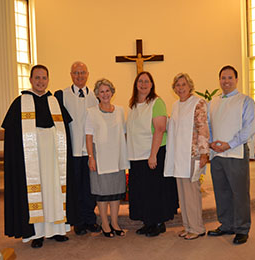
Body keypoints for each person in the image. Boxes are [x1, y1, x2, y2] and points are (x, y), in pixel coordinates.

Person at [3, 65, 71, 248]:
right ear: (31, 80)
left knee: (54, 190)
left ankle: (57, 230)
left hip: (54, 159)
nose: (41, 81)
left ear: (48, 80)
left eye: (44, 78)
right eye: (37, 78)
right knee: (38, 192)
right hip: (32, 160)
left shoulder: (55, 102)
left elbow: (66, 131)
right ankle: (37, 233)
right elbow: (12, 135)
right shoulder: (20, 102)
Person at [207, 65, 255, 245]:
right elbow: (209, 126)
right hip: (217, 154)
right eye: (223, 78)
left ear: (236, 79)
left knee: (239, 192)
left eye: (229, 77)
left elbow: (249, 128)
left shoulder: (245, 101)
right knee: (221, 192)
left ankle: (242, 228)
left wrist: (229, 144)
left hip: (235, 153)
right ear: (219, 80)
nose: (226, 81)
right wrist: (211, 142)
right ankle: (226, 224)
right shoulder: (213, 102)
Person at [126, 71, 178, 237]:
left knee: (154, 190)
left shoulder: (157, 102)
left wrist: (153, 155)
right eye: (140, 81)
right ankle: (147, 222)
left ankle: (158, 222)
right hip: (136, 155)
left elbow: (160, 129)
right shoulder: (133, 105)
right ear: (136, 84)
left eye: (146, 81)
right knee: (142, 191)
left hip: (152, 153)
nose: (143, 84)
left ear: (152, 84)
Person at [54, 61, 100, 235]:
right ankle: (78, 221)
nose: (79, 76)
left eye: (82, 72)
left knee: (90, 187)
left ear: (88, 74)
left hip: (90, 151)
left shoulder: (95, 97)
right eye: (76, 73)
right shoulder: (61, 96)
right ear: (71, 75)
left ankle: (90, 219)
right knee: (76, 187)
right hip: (71, 151)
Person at [164, 73, 209, 240]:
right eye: (177, 85)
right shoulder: (175, 105)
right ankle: (188, 226)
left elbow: (202, 127)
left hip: (192, 154)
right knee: (182, 193)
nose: (180, 87)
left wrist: (204, 153)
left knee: (192, 192)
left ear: (190, 85)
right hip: (178, 155)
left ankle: (197, 227)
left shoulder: (198, 103)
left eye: (183, 84)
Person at [85, 79, 129, 238]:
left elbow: (123, 133)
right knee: (103, 192)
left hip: (117, 156)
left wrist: (126, 154)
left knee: (116, 191)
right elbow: (88, 136)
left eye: (107, 91)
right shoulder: (91, 112)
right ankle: (105, 223)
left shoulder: (120, 110)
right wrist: (91, 157)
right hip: (100, 156)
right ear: (97, 94)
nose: (105, 94)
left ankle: (115, 223)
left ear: (112, 92)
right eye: (101, 91)